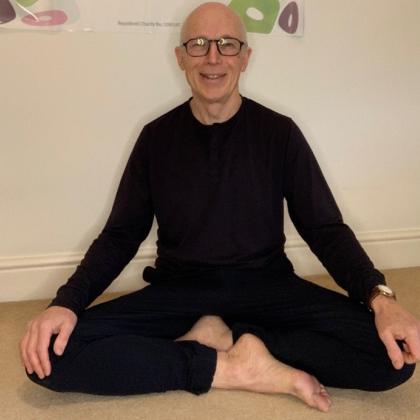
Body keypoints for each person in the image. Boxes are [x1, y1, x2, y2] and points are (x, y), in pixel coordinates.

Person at [20, 2, 420, 413]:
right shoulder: (155, 139)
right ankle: (228, 367)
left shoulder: (279, 133)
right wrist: (65, 304)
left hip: (267, 287)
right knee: (47, 355)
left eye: (227, 45)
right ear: (180, 57)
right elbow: (120, 235)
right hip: (179, 291)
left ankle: (233, 338)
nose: (213, 57)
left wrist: (380, 299)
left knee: (392, 359)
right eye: (198, 45)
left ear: (246, 58)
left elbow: (325, 229)